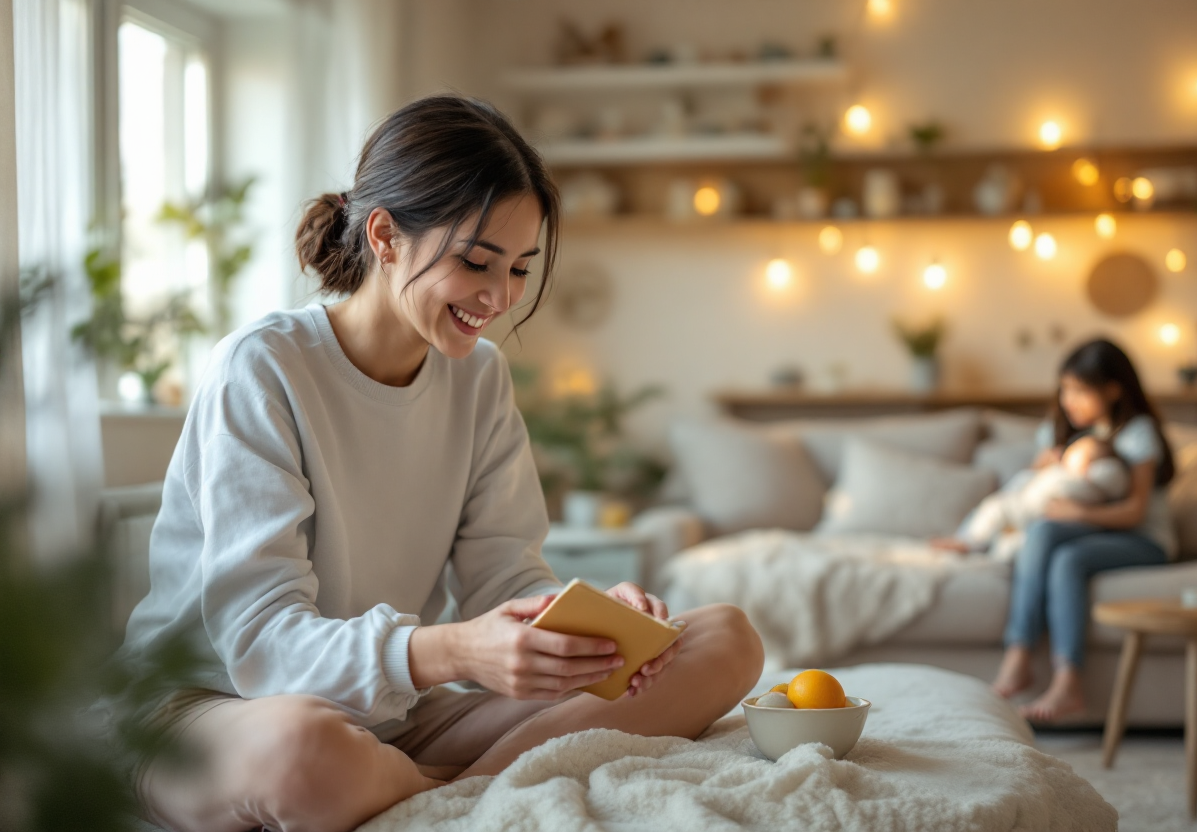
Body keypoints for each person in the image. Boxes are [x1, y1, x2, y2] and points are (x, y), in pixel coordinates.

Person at [119, 94, 764, 832]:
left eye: (520, 268)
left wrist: (591, 628)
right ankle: (468, 781)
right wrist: (454, 649)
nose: (500, 297)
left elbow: (507, 579)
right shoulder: (262, 368)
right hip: (218, 712)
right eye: (476, 261)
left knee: (723, 639)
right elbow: (263, 651)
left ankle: (440, 792)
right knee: (304, 753)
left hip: (393, 715)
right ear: (385, 236)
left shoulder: (479, 376)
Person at [989, 339, 1176, 723]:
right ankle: (1019, 654)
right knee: (1042, 534)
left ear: (1113, 389)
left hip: (1144, 539)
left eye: (1079, 390)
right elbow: (1036, 490)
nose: (1068, 400)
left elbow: (1134, 512)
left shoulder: (1136, 432)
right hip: (1091, 532)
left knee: (1069, 560)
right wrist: (1048, 465)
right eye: (1064, 389)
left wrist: (1077, 511)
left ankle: (1068, 681)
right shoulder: (1061, 432)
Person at [943, 435, 1129, 559]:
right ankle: (971, 543)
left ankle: (973, 546)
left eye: (1075, 452)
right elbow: (1020, 486)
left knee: (1013, 533)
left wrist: (1091, 472)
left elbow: (1114, 477)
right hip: (1025, 507)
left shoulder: (1088, 481)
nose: (1068, 455)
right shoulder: (1058, 471)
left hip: (1043, 517)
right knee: (996, 510)